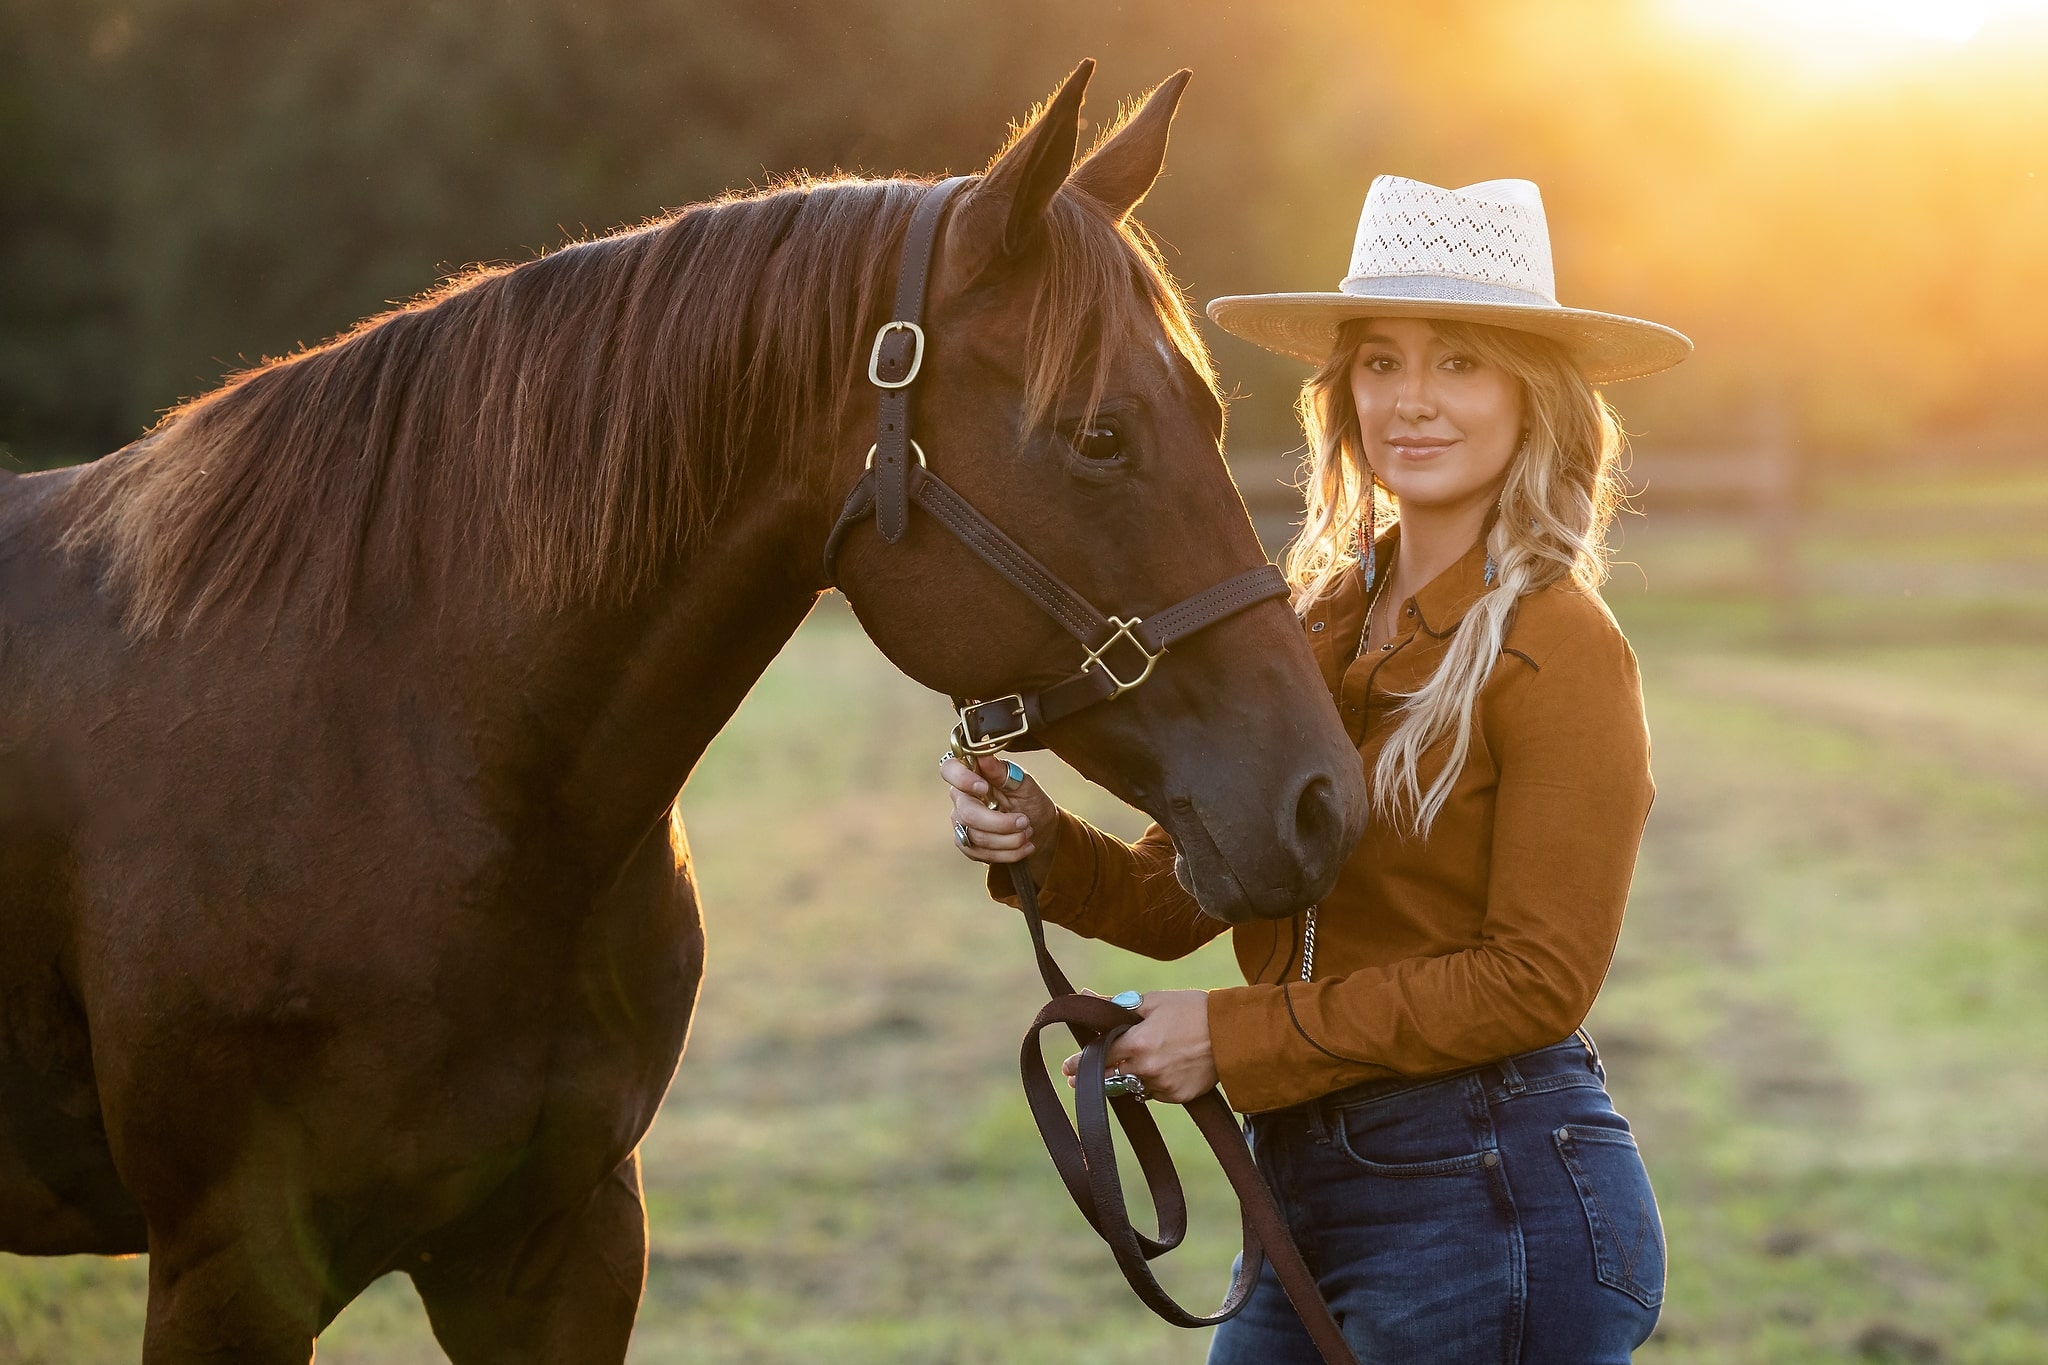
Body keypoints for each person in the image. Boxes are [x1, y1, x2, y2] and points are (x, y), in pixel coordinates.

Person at [939, 175, 1692, 1363]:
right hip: (1295, 1189)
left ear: (1529, 395)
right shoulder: (1317, 618)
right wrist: (1040, 838)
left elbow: (1533, 982)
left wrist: (1230, 1039)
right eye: (1380, 362)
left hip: (1488, 1193)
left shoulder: (1559, 644)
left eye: (1457, 363)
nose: (1410, 401)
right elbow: (1181, 894)